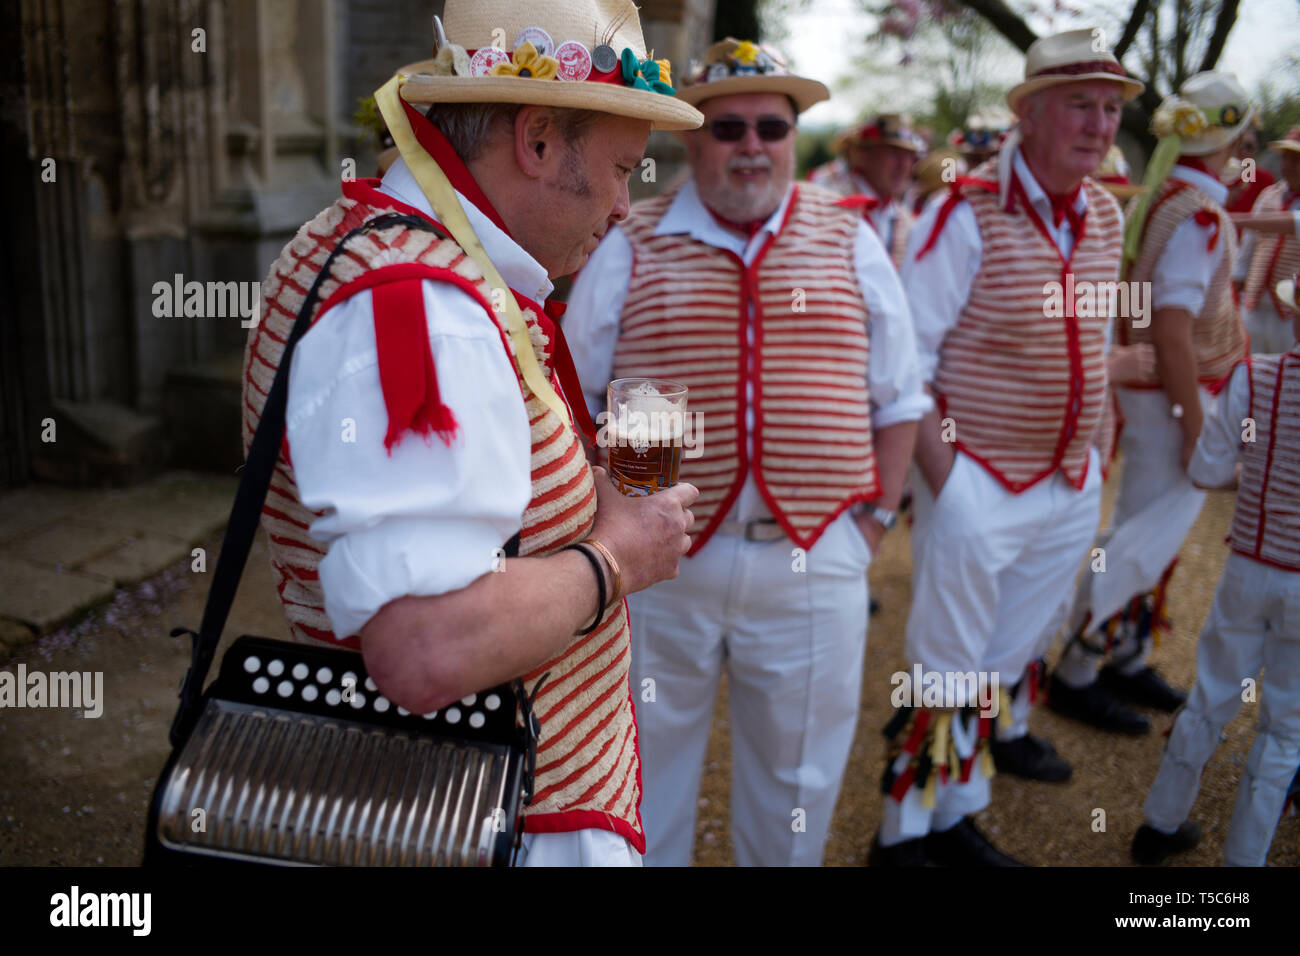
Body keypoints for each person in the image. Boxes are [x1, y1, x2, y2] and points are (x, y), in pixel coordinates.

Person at [240, 0, 705, 867]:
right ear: (535, 141)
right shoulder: (424, 309)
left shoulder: (368, 240)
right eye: (619, 171)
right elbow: (426, 646)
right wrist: (618, 558)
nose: (623, 208)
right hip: (497, 820)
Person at [564, 37, 928, 866]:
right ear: (692, 142)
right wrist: (613, 528)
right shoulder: (632, 239)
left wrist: (870, 523)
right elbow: (577, 395)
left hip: (814, 552)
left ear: (795, 137)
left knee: (797, 781)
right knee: (642, 769)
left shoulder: (852, 238)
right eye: (729, 129)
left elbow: (901, 397)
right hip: (660, 565)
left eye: (772, 125)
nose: (752, 145)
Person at [871, 29, 1142, 866]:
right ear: (1026, 114)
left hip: (1066, 481)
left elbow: (1093, 338)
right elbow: (907, 360)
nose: (1099, 125)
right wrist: (949, 481)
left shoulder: (1102, 211)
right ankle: (906, 836)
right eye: (1078, 105)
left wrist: (1094, 448)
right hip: (978, 473)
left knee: (1004, 655)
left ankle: (956, 808)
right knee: (947, 662)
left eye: (1109, 107)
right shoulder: (965, 211)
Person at [1051, 73, 1255, 736]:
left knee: (1147, 535)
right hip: (1175, 396)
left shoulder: (1171, 196)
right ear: (1235, 136)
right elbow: (1170, 328)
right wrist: (1197, 430)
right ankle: (1077, 672)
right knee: (1141, 539)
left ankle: (1123, 652)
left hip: (1162, 393)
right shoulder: (1196, 213)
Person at [1132, 274, 1300, 867]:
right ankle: (1244, 863)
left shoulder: (1255, 378)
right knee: (1285, 730)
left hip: (1249, 566)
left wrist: (1252, 481)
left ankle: (1160, 822)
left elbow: (1207, 470)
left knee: (1209, 698)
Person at [808, 113, 925, 267]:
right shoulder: (828, 200)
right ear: (863, 156)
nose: (904, 165)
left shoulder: (905, 219)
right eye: (893, 153)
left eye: (910, 156)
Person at [1235, 126, 1300, 353]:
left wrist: (1236, 220)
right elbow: (1249, 245)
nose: (1289, 166)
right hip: (1254, 300)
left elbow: (1294, 223)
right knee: (1249, 367)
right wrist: (1237, 280)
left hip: (1291, 309)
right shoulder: (1269, 194)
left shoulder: (1260, 180)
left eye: (1297, 159)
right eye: (1287, 158)